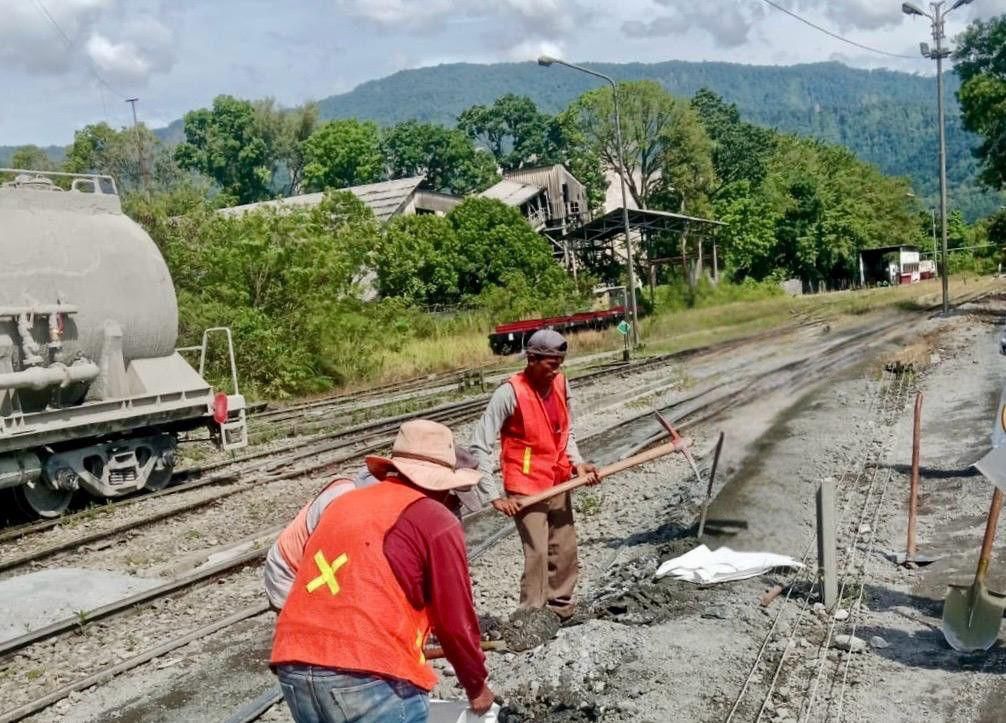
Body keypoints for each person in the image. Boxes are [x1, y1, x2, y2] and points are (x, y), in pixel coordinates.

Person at [270, 419, 496, 722]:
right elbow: (455, 621)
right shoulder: (435, 519)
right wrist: (476, 685)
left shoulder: (343, 504)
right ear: (443, 485)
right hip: (368, 672)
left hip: (293, 661)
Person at [470, 329, 600, 621]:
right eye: (551, 364)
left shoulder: (561, 383)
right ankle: (530, 616)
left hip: (558, 479)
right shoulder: (509, 392)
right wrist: (492, 495)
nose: (556, 370)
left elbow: (566, 432)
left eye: (560, 363)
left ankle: (560, 608)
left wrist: (578, 464)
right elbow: (479, 444)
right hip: (526, 485)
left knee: (565, 549)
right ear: (532, 359)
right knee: (538, 552)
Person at [264, 452, 482, 610]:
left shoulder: (402, 500)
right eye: (449, 497)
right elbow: (346, 572)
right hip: (292, 571)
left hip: (332, 568)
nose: (448, 506)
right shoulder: (350, 499)